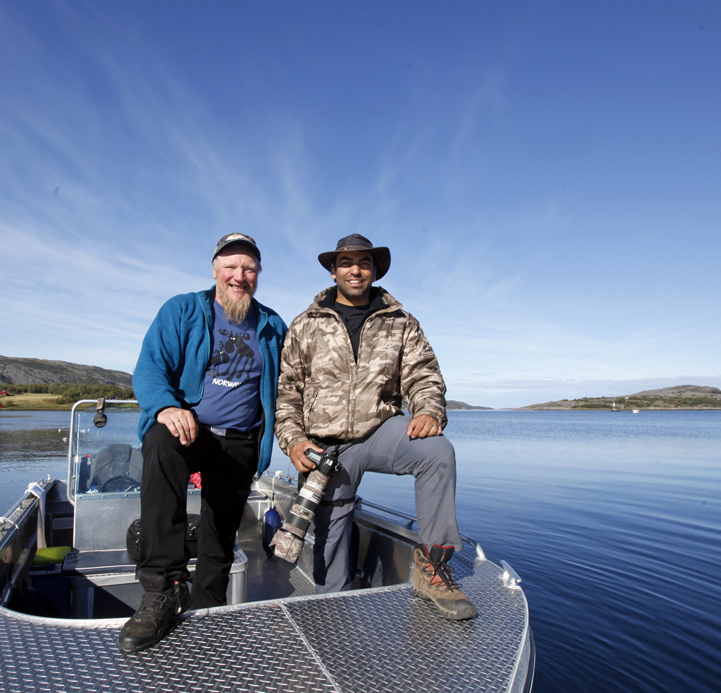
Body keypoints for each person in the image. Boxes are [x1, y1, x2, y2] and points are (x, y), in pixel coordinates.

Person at [275, 234, 476, 620]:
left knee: (437, 452)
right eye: (346, 262)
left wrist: (428, 410)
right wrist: (294, 440)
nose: (355, 269)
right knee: (331, 542)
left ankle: (432, 566)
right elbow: (288, 393)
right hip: (325, 446)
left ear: (374, 269)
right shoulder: (305, 324)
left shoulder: (401, 322)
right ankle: (330, 611)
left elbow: (423, 376)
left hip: (381, 431)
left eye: (363, 262)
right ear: (333, 271)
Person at [121, 233, 287, 652]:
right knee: (160, 442)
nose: (239, 276)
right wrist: (165, 407)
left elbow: (294, 384)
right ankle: (162, 588)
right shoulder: (183, 310)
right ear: (215, 270)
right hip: (190, 429)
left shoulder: (271, 326)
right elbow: (150, 368)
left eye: (249, 268)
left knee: (221, 530)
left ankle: (208, 612)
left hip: (242, 441)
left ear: (258, 275)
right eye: (230, 267)